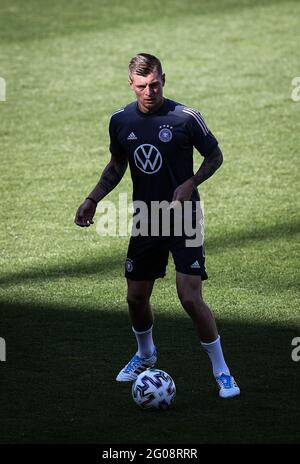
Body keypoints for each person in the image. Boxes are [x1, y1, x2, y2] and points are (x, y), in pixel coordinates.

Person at [75, 53, 240, 398]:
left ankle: (222, 371)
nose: (149, 92)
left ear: (164, 78)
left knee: (190, 298)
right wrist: (93, 198)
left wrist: (190, 183)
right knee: (135, 298)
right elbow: (118, 164)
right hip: (146, 219)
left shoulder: (185, 117)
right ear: (131, 85)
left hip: (184, 218)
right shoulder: (121, 121)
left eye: (154, 84)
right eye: (141, 86)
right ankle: (146, 354)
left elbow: (215, 156)